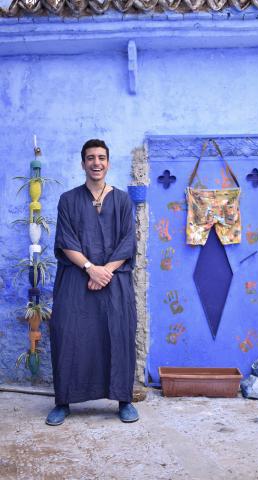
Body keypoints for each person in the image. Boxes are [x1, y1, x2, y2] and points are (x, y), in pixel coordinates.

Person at [46, 139, 139, 426]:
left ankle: (123, 399)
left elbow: (128, 241)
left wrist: (104, 272)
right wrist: (90, 268)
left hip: (114, 281)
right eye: (90, 158)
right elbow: (66, 239)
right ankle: (63, 400)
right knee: (68, 333)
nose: (96, 162)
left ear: (108, 162)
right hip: (76, 280)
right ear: (83, 163)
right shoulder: (68, 200)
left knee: (119, 334)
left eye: (101, 157)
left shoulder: (123, 200)